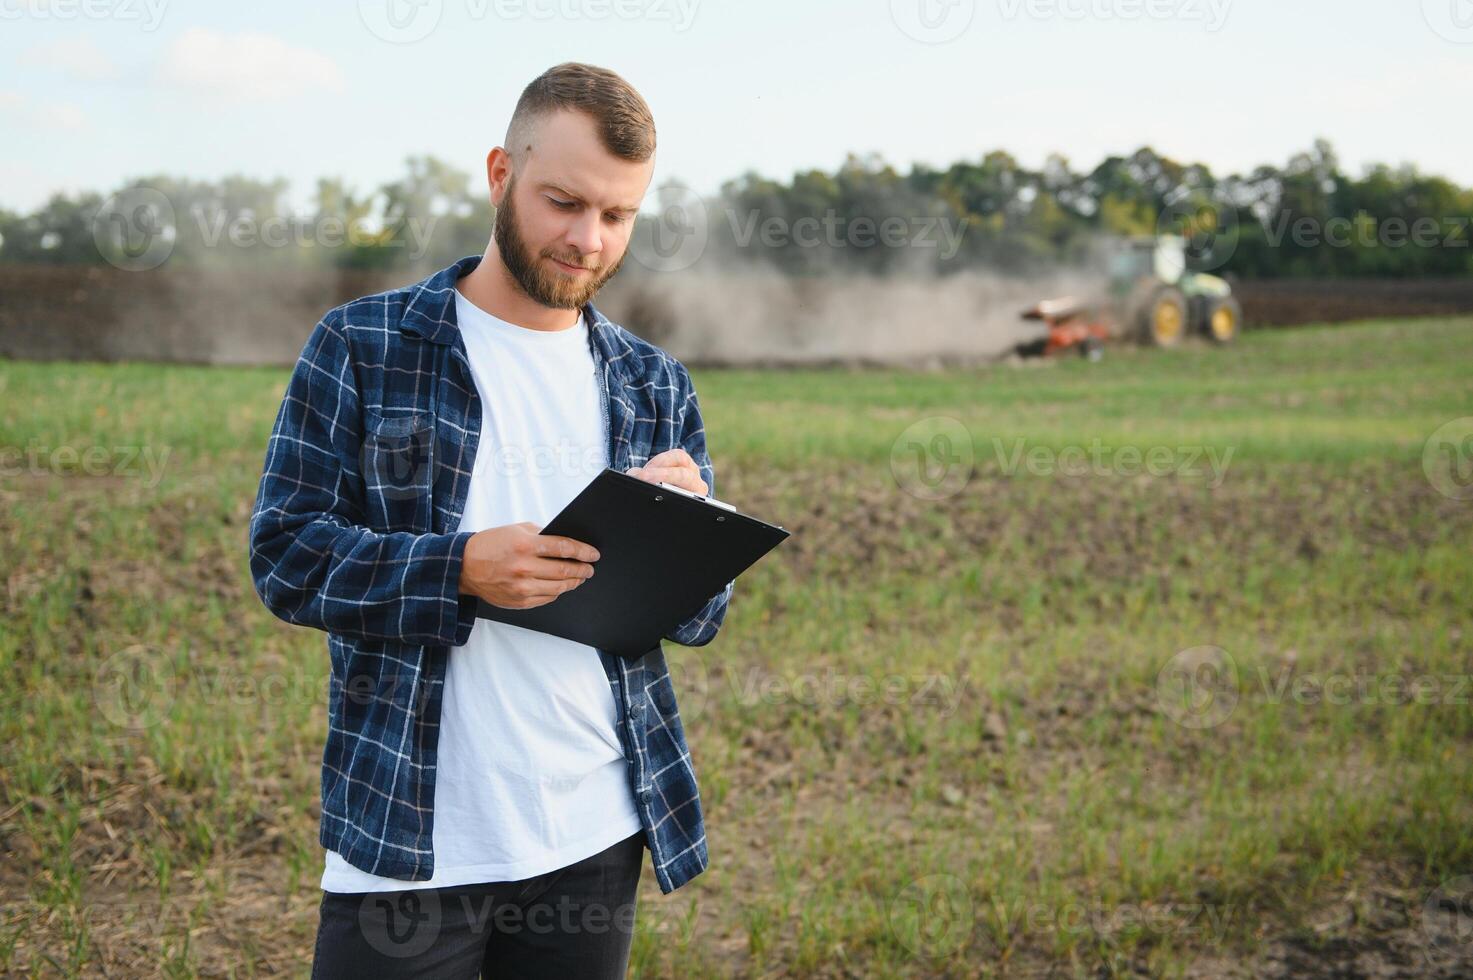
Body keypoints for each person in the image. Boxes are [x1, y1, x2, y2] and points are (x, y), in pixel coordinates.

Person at [247, 62, 732, 979]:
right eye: (563, 201)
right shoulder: (364, 344)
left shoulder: (652, 382)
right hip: (410, 833)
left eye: (618, 216)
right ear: (500, 174)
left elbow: (701, 620)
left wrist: (687, 535)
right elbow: (286, 557)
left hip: (594, 833)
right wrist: (459, 568)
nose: (587, 240)